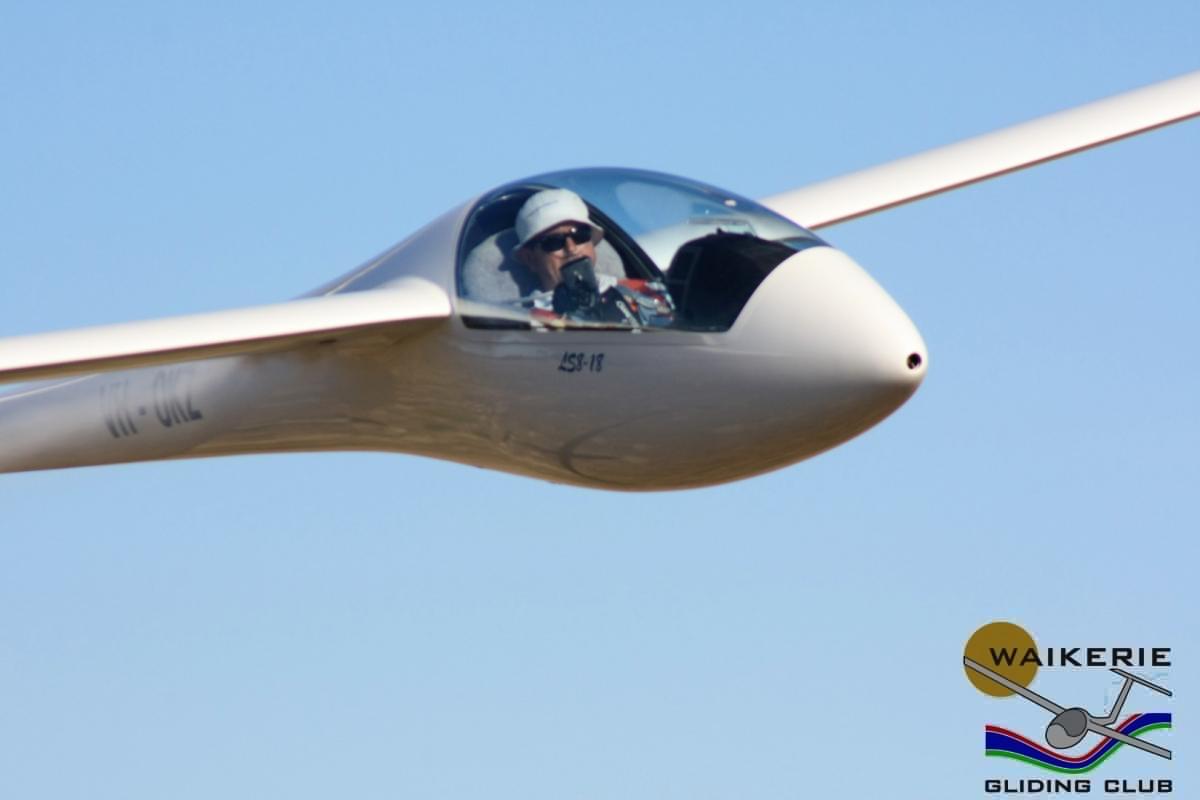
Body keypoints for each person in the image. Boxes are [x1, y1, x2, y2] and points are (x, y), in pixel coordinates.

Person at [511, 189, 673, 327]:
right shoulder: (524, 323)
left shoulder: (641, 290)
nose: (571, 248)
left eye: (580, 235)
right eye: (554, 242)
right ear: (530, 259)